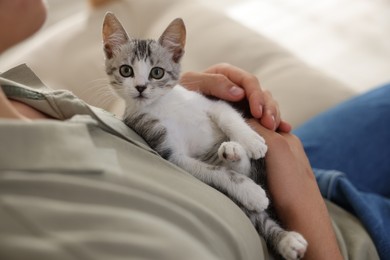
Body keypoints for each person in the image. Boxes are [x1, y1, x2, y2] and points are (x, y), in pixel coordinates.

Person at [0, 0, 383, 259]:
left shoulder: (20, 93)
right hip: (335, 233)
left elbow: (128, 139)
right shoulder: (34, 220)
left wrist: (176, 99)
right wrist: (302, 199)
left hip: (291, 170)